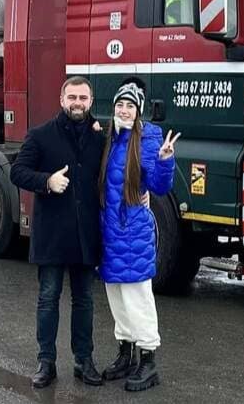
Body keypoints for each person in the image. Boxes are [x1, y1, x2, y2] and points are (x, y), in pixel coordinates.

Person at [10, 76, 105, 389]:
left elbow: (120, 168)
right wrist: (47, 182)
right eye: (72, 97)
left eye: (83, 98)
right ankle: (46, 362)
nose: (78, 103)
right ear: (62, 100)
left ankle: (84, 360)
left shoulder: (99, 137)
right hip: (52, 233)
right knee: (48, 298)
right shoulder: (40, 135)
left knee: (85, 300)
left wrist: (141, 190)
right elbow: (17, 171)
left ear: (91, 102)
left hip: (85, 234)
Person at [97, 81, 178, 392]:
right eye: (120, 105)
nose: (124, 110)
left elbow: (158, 187)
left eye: (130, 106)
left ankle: (148, 361)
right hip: (108, 232)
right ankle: (125, 353)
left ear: (138, 110)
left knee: (138, 297)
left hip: (133, 233)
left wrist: (165, 160)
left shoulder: (148, 139)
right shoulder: (109, 137)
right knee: (116, 296)